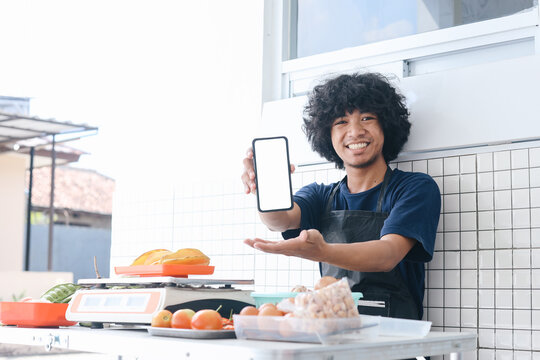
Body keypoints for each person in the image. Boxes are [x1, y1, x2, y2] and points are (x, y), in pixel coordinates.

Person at [241, 72, 441, 320]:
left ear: (386, 126)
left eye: (367, 118)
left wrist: (322, 251)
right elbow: (279, 220)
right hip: (333, 336)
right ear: (327, 135)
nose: (355, 131)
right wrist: (265, 188)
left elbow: (388, 254)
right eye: (341, 122)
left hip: (394, 340)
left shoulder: (414, 188)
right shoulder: (320, 195)